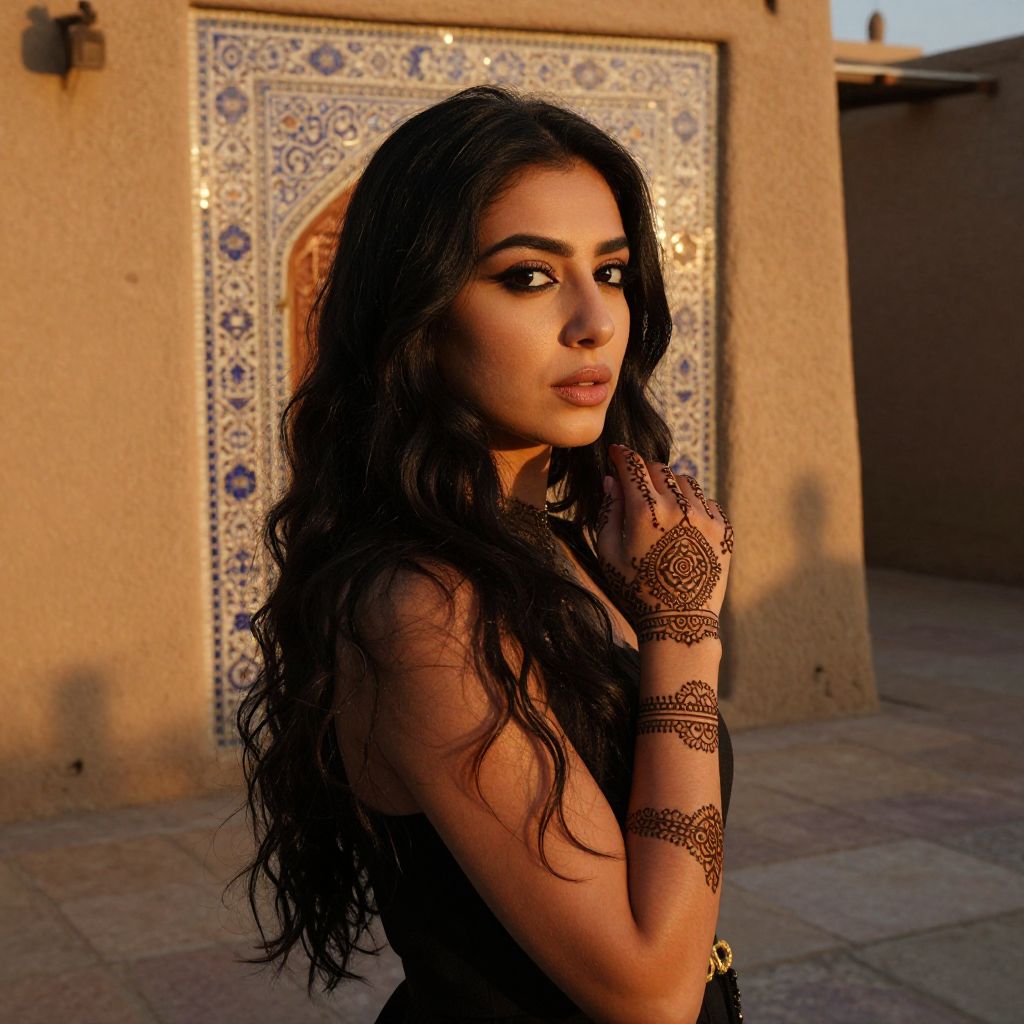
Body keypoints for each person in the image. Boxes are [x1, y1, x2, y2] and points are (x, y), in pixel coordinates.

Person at [235, 85, 742, 1024]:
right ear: (417, 311)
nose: (596, 321)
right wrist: (682, 632)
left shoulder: (553, 546)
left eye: (615, 272)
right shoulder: (424, 606)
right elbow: (651, 990)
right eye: (529, 277)